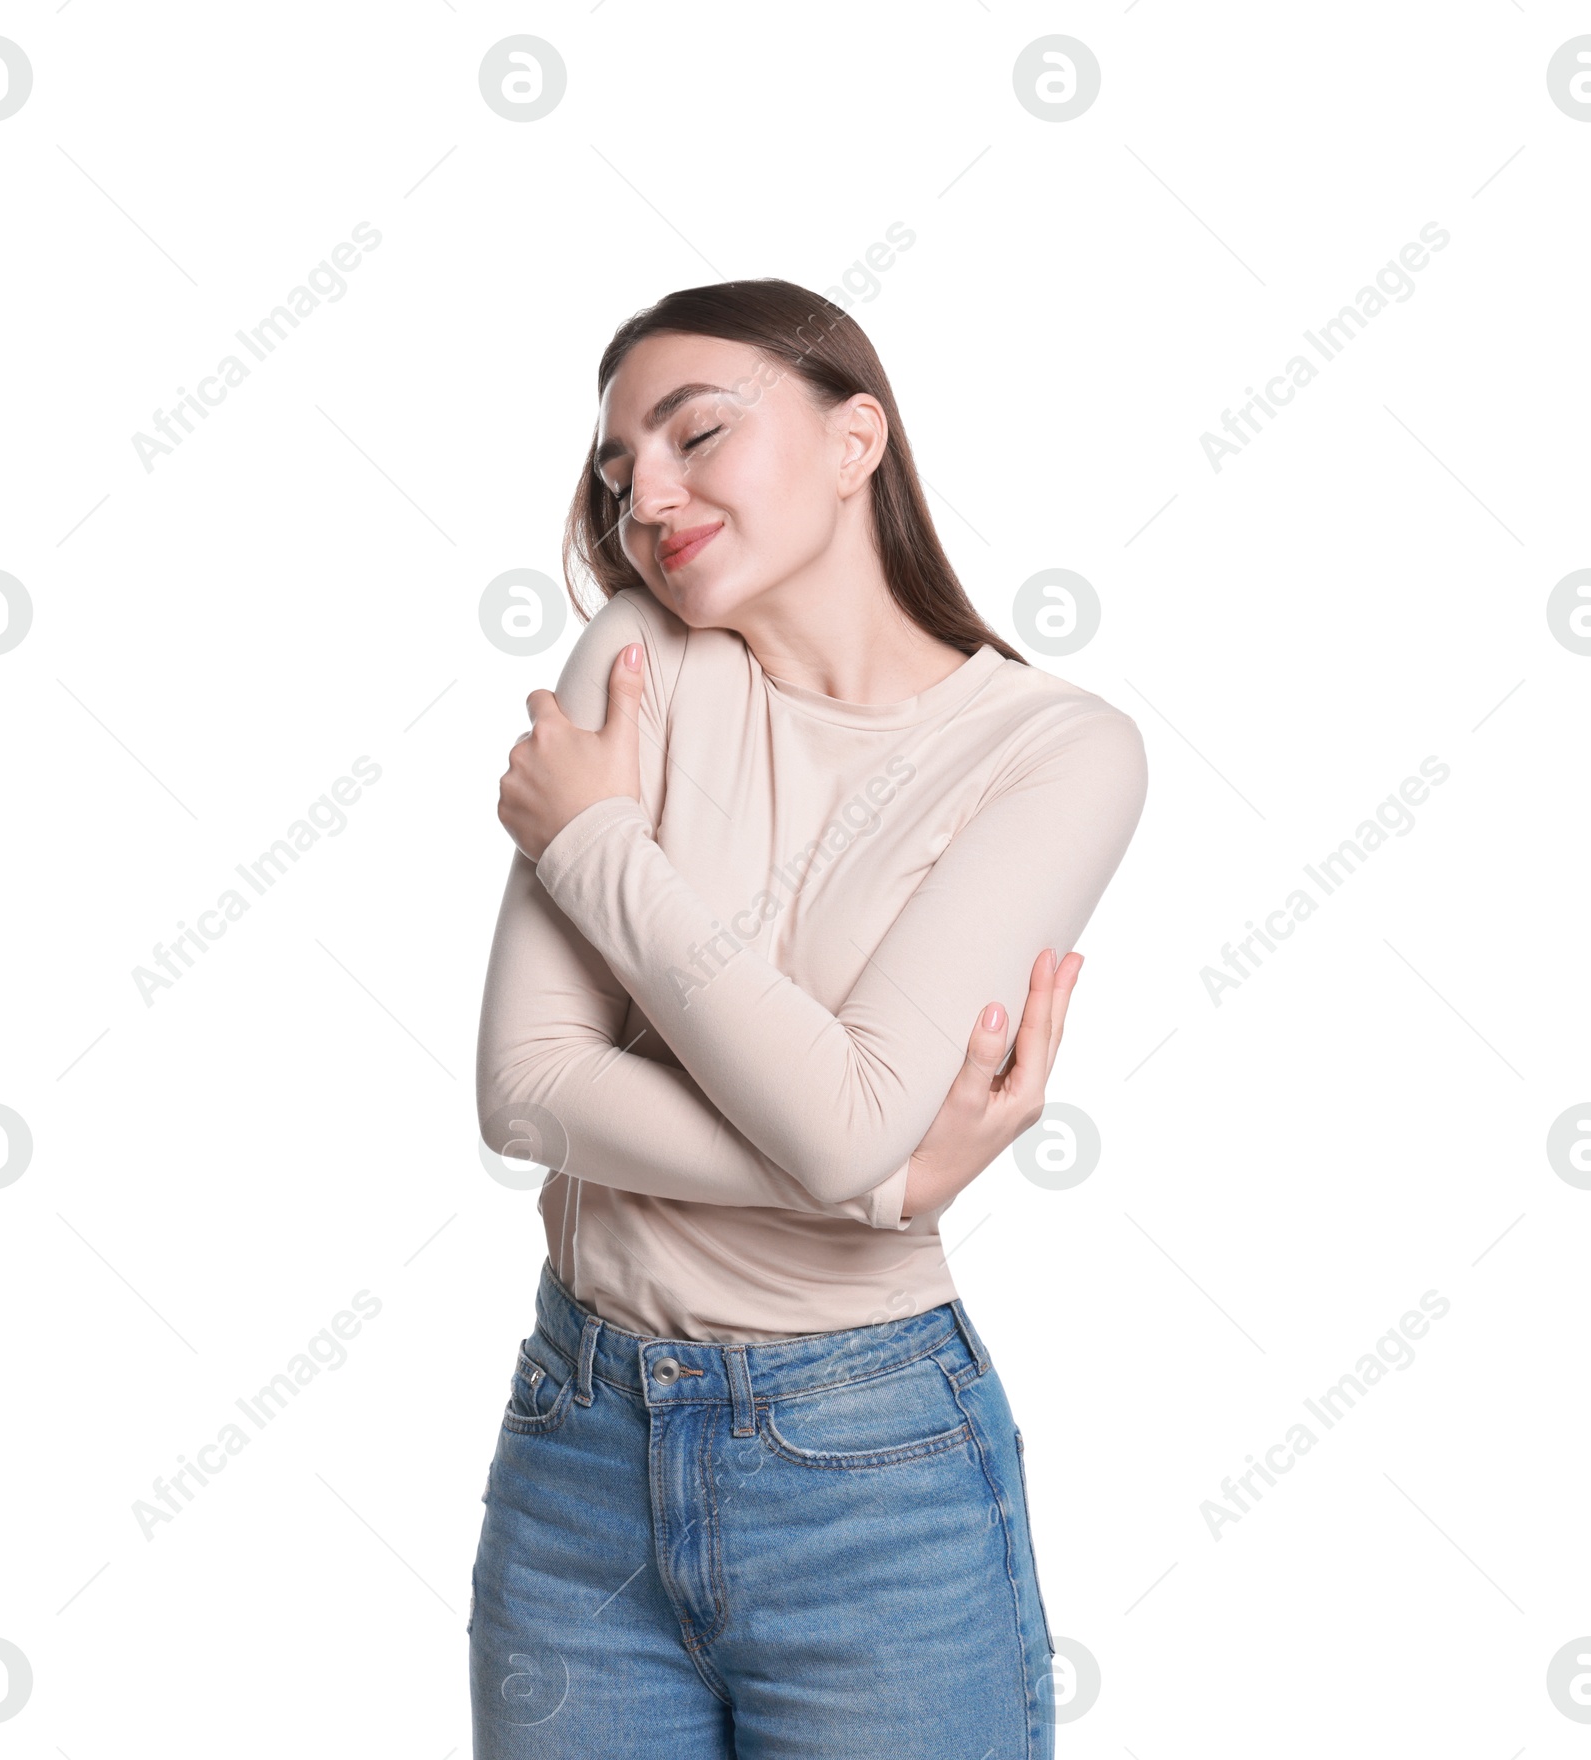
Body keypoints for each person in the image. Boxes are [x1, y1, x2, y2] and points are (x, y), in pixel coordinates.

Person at [469, 279, 1148, 1758]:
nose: (645, 493)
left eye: (695, 432)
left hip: (868, 1470)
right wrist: (880, 1181)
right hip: (578, 1445)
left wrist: (594, 845)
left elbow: (847, 1113)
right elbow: (524, 1087)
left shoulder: (1056, 751)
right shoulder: (639, 661)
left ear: (858, 441)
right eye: (615, 470)